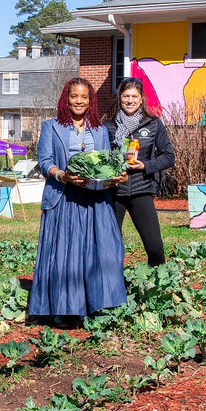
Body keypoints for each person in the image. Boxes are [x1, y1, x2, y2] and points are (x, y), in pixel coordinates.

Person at [28, 77, 128, 325]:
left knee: (99, 251)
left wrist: (115, 177)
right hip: (64, 198)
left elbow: (105, 164)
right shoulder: (51, 127)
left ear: (90, 100)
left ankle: (99, 304)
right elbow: (44, 162)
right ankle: (64, 309)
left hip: (94, 200)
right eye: (74, 96)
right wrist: (63, 175)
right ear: (66, 98)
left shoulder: (99, 129)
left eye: (84, 97)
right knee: (65, 253)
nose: (79, 101)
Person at [104, 77, 175, 266]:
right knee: (110, 247)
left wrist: (145, 165)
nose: (130, 100)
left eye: (134, 96)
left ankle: (156, 285)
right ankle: (115, 287)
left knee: (154, 246)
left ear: (141, 98)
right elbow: (101, 156)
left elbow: (169, 156)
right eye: (126, 96)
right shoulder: (108, 125)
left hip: (141, 190)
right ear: (120, 98)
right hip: (114, 193)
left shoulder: (153, 124)